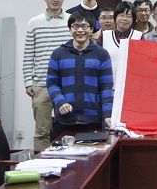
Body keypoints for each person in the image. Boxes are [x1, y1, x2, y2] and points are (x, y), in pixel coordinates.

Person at [47, 10, 113, 141]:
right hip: (65, 121)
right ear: (70, 29)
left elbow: (106, 87)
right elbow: (52, 83)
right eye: (76, 26)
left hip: (92, 120)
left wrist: (107, 114)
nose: (80, 30)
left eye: (84, 26)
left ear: (92, 29)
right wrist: (61, 102)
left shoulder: (102, 54)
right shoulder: (58, 54)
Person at [23, 0, 72, 150]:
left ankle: (65, 162)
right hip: (41, 84)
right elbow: (28, 54)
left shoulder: (71, 21)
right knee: (41, 132)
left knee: (65, 129)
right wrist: (28, 82)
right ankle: (42, 164)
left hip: (65, 85)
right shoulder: (34, 22)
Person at [97, 1, 144, 84]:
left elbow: (143, 62)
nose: (124, 19)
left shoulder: (139, 37)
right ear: (115, 17)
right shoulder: (104, 36)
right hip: (108, 84)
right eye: (121, 15)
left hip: (131, 84)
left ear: (133, 19)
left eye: (129, 16)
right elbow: (97, 60)